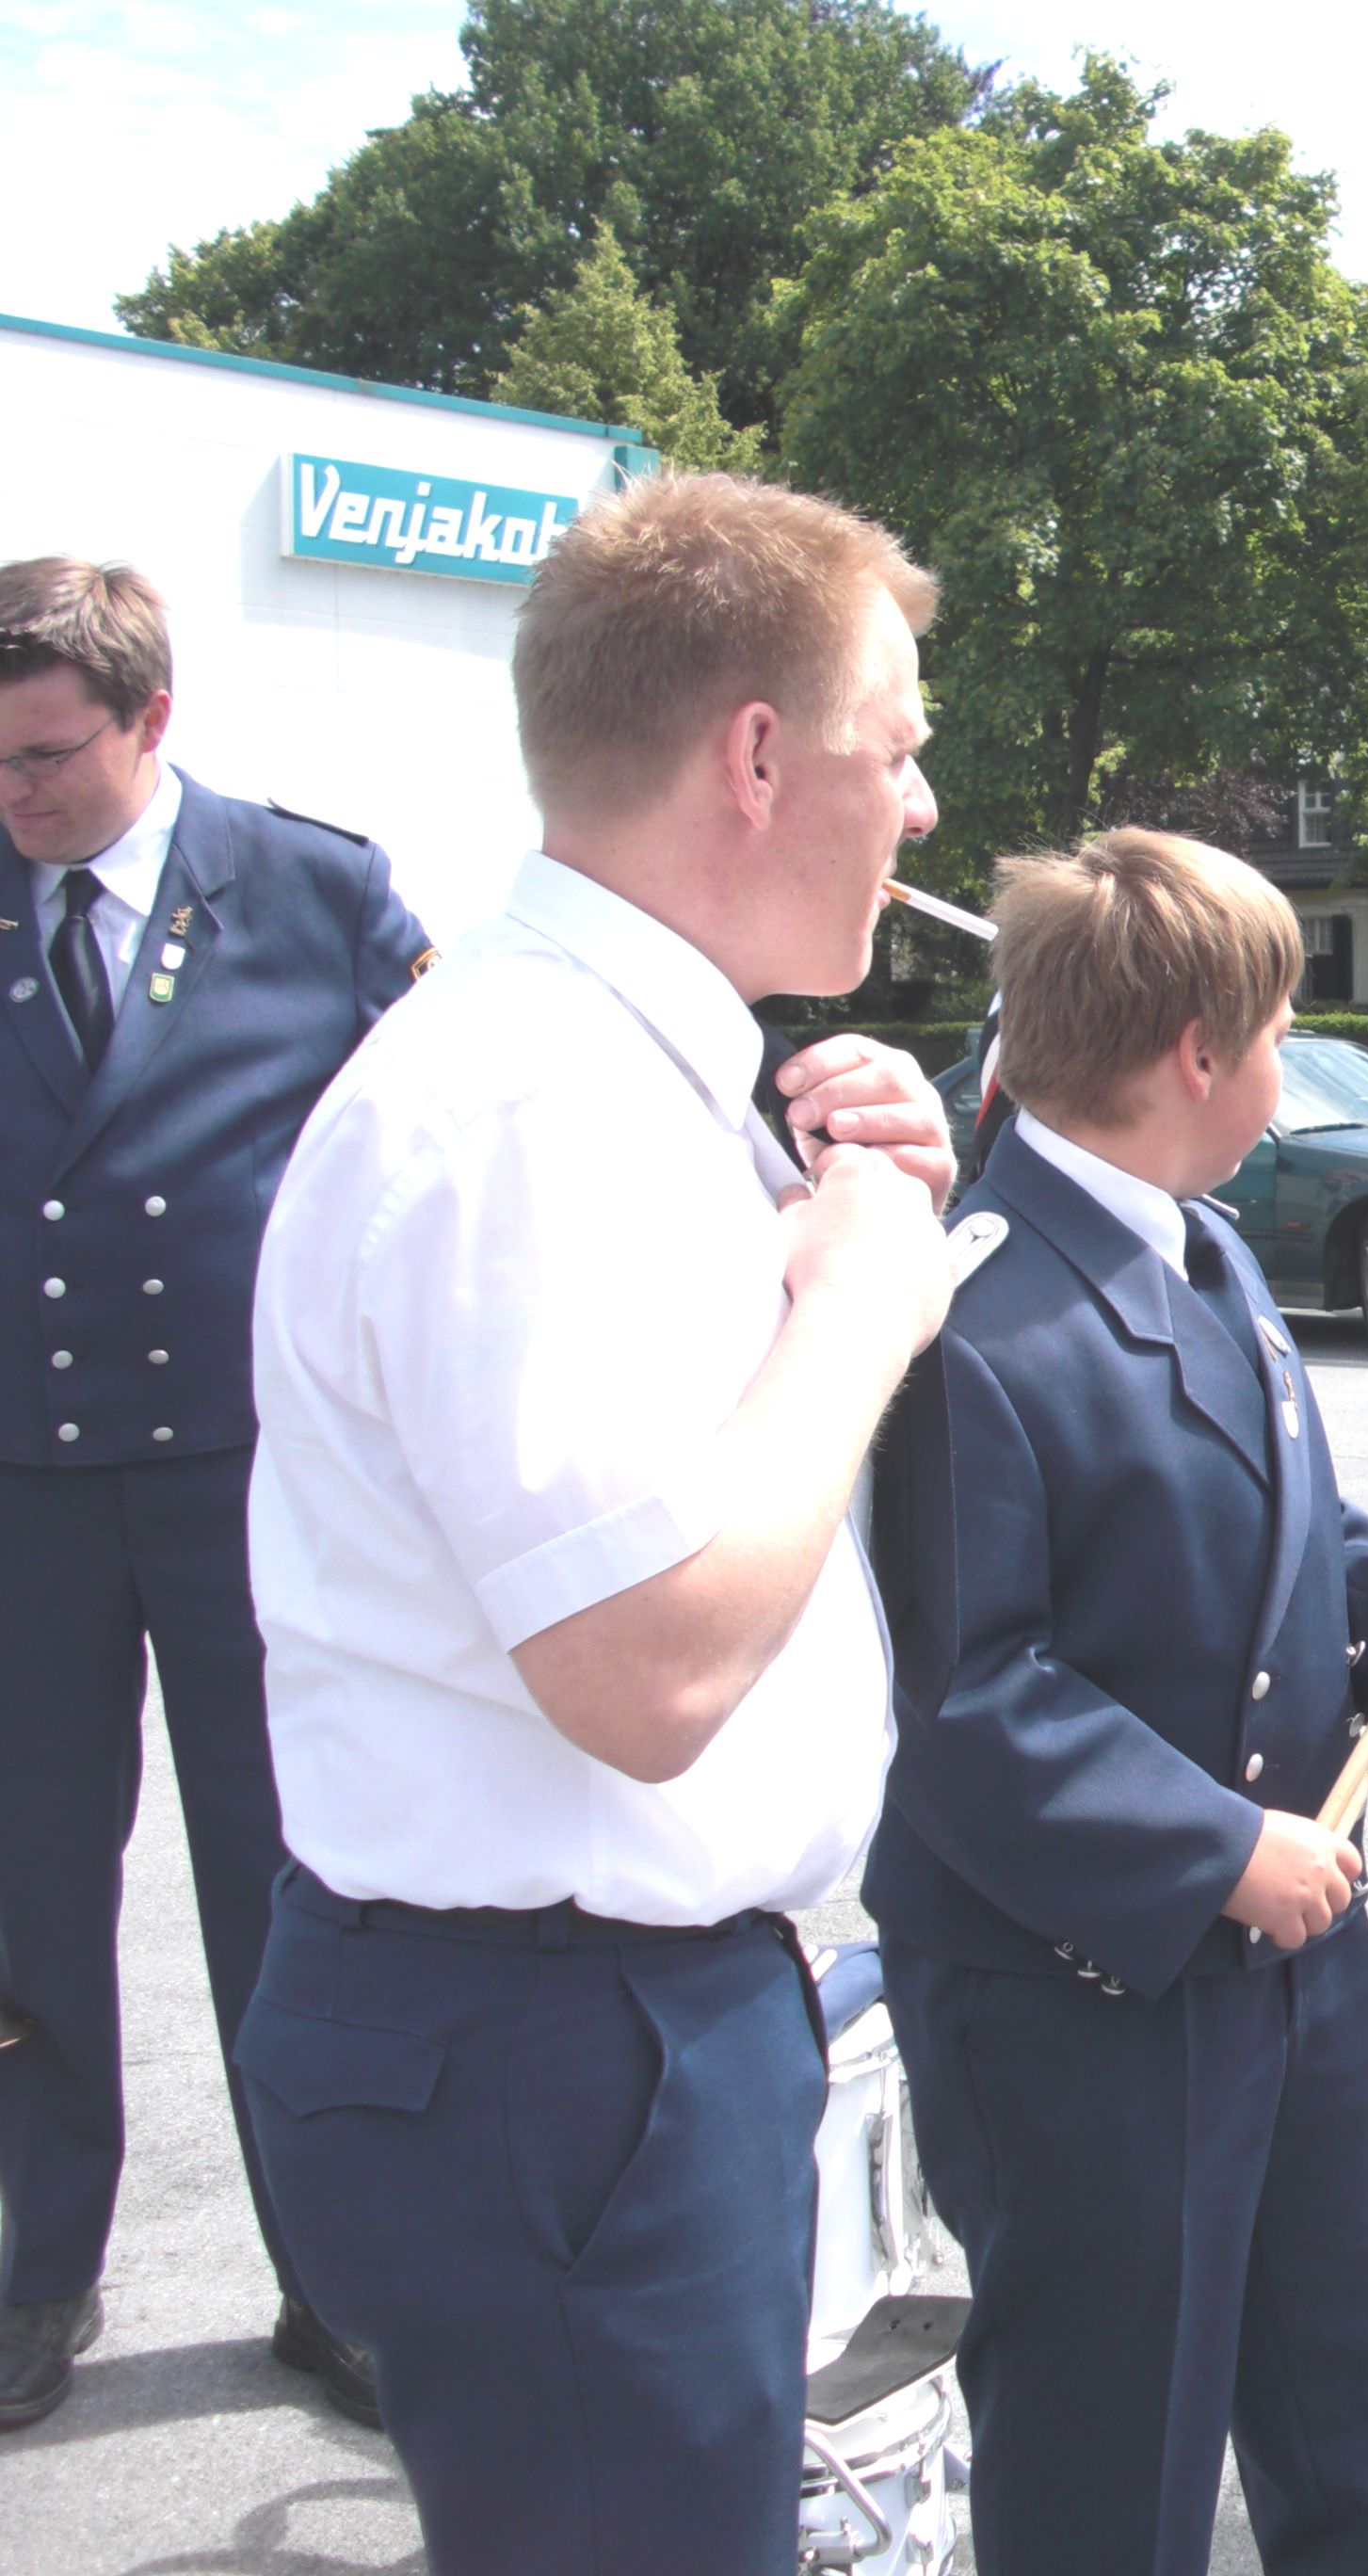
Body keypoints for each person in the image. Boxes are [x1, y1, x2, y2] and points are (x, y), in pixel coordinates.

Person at [236, 472, 958, 2574]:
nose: (922, 807)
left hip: (596, 2030)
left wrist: (847, 1206)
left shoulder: (610, 1072)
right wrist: (862, 1303)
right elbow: (647, 1668)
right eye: (898, 745)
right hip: (559, 2051)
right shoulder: (533, 1104)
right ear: (759, 758)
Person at [862, 828, 1368, 2576]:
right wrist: (1216, 1851)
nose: (1288, 1061)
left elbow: (1283, 1514)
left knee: (1362, 2412)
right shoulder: (970, 1318)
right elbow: (966, 1698)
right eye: (1280, 1029)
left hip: (1291, 1950)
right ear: (1198, 1055)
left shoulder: (1200, 1245)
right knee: (1109, 2462)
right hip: (1084, 2000)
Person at [0, 557, 432, 2431]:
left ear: (151, 719)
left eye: (45, 757)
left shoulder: (310, 890)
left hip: (256, 1486)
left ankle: (334, 2283)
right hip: (22, 1488)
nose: (14, 794)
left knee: (291, 1884)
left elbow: (442, 1138)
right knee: (23, 1893)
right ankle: (31, 2267)